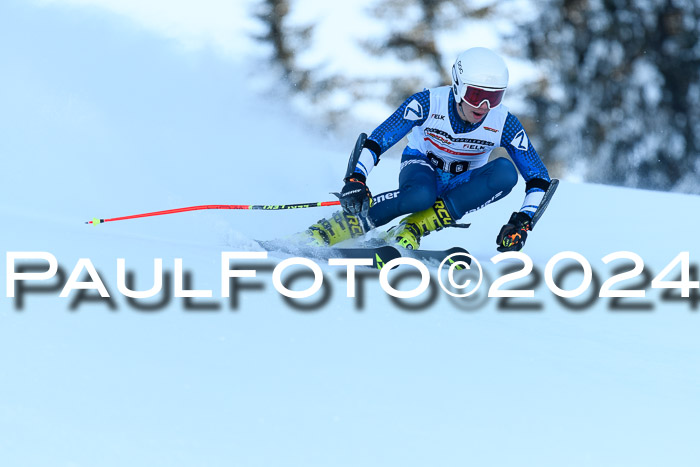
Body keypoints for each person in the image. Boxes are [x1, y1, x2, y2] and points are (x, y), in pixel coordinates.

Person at [304, 47, 552, 252]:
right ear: (458, 86)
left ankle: (412, 228)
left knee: (505, 172)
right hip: (421, 167)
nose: (484, 106)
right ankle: (333, 228)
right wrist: (357, 177)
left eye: (494, 98)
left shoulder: (504, 122)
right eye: (476, 95)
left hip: (461, 183)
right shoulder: (428, 102)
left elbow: (539, 177)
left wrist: (523, 220)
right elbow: (379, 139)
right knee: (421, 196)